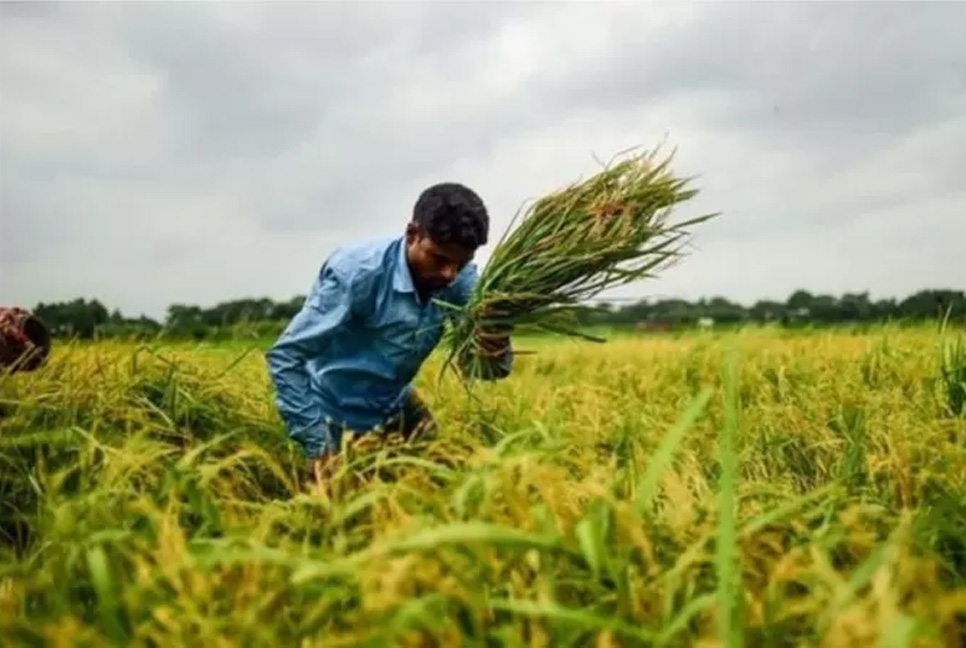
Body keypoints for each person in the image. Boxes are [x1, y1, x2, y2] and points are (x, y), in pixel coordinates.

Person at [265, 182, 513, 483]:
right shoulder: (357, 273)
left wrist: (495, 344)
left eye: (461, 263)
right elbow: (286, 356)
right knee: (337, 511)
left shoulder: (461, 281)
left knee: (444, 480)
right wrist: (318, 446)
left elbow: (484, 369)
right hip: (334, 410)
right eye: (439, 258)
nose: (449, 274)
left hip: (396, 402)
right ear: (412, 234)